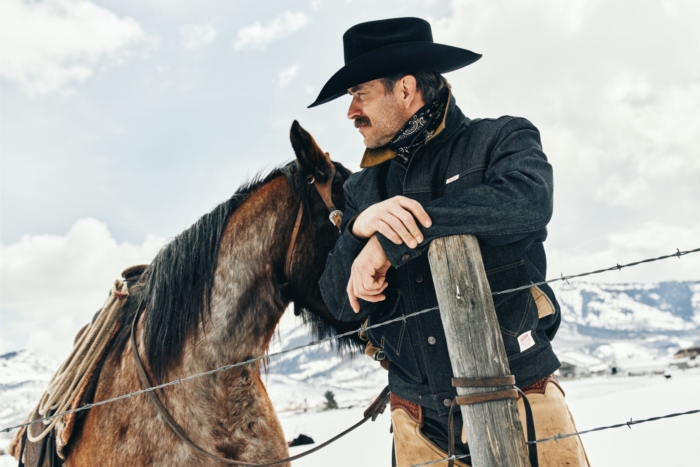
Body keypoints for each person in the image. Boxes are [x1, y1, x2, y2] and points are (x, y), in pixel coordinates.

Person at [312, 17, 589, 467]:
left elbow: (528, 201)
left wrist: (390, 241)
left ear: (404, 89)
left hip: (523, 400)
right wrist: (360, 229)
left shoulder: (500, 138)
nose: (350, 112)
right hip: (418, 424)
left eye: (359, 94)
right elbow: (338, 304)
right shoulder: (364, 190)